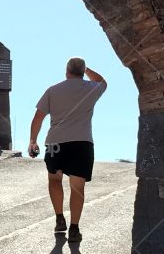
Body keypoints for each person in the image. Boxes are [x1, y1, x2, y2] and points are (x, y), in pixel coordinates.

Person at [28, 57, 107, 242]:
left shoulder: (53, 90)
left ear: (67, 71)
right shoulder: (92, 88)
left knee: (54, 180)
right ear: (83, 71)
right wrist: (87, 70)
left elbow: (38, 117)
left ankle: (59, 219)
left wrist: (33, 141)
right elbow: (102, 81)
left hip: (56, 143)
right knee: (77, 187)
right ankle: (74, 228)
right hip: (82, 143)